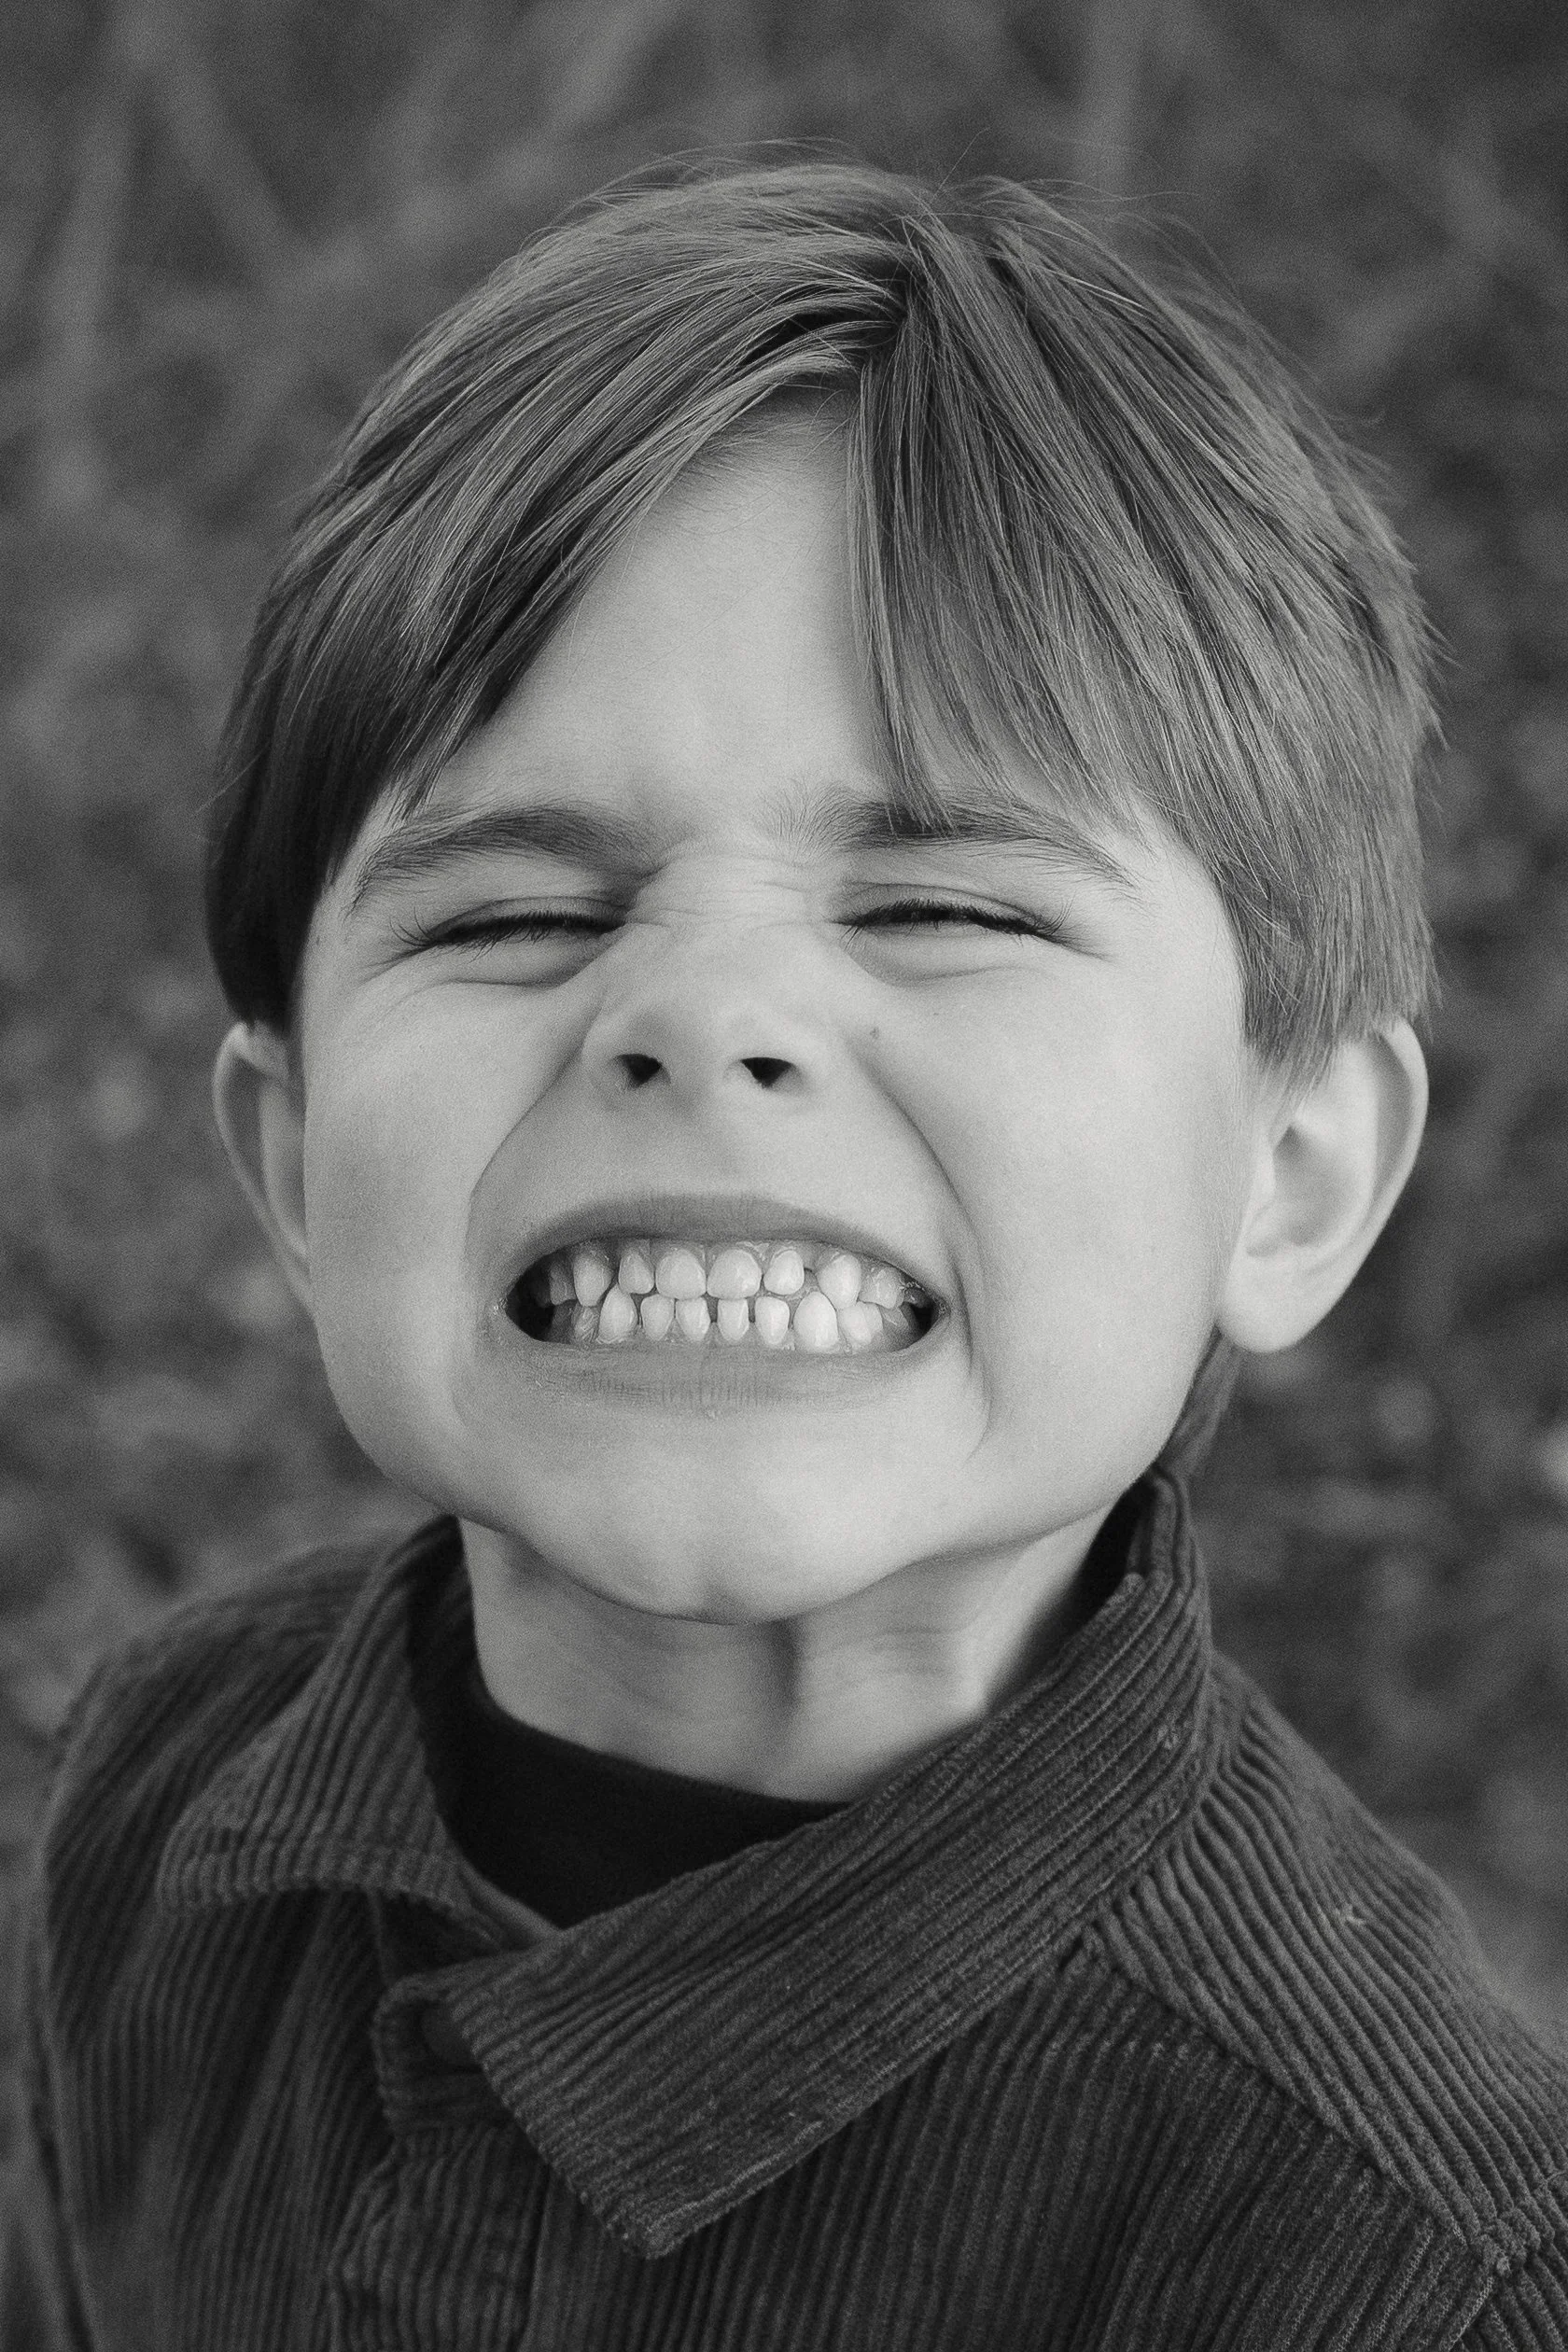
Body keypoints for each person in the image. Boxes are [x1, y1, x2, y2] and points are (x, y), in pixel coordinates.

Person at [7, 160, 1565, 2351]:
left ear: (1290, 1172)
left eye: (947, 904)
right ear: (288, 1164)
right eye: (517, 916)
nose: (698, 1012)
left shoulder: (1429, 2274)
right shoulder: (161, 1794)